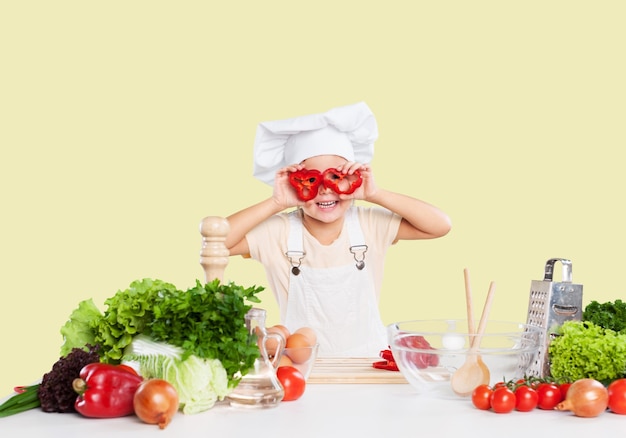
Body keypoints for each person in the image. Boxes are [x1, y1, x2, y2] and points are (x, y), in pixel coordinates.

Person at [225, 102, 451, 357]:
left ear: (353, 181)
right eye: (311, 180)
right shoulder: (278, 232)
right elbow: (217, 242)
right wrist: (276, 202)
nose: (325, 190)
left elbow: (440, 225)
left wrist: (375, 194)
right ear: (294, 184)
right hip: (302, 369)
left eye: (337, 177)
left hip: (368, 364)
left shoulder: (369, 223)